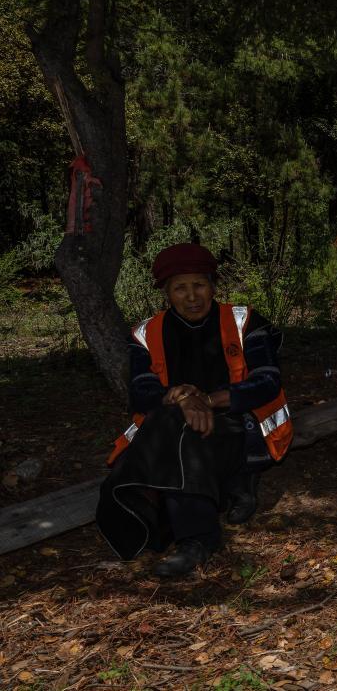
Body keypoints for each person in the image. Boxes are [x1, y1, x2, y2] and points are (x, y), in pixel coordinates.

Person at [97, 243, 292, 578]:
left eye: (199, 285)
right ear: (166, 292)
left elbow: (267, 381)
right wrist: (182, 400)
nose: (191, 297)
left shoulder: (244, 320)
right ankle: (216, 502)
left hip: (241, 429)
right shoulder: (146, 333)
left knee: (181, 435)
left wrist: (208, 400)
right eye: (180, 288)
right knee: (180, 429)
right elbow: (141, 393)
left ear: (213, 285)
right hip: (178, 428)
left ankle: (198, 539)